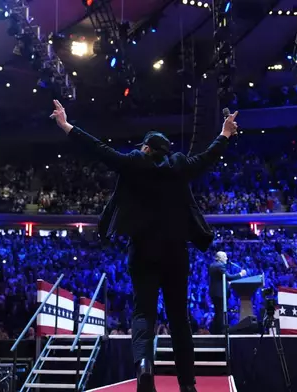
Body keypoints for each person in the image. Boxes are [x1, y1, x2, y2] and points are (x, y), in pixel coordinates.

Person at [50, 100, 238, 392]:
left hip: (143, 251)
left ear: (147, 148)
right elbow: (207, 158)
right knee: (178, 318)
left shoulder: (134, 163)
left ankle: (144, 367)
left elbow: (99, 149)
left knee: (143, 315)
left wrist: (66, 125)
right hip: (176, 253)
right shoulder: (179, 166)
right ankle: (187, 385)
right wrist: (225, 133)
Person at [208, 251, 246, 334]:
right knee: (220, 312)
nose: (227, 258)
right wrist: (241, 274)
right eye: (225, 256)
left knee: (218, 312)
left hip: (214, 292)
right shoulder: (220, 265)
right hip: (220, 293)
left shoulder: (212, 265)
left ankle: (215, 330)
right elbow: (228, 277)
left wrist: (226, 283)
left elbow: (219, 279)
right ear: (220, 258)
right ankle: (220, 331)